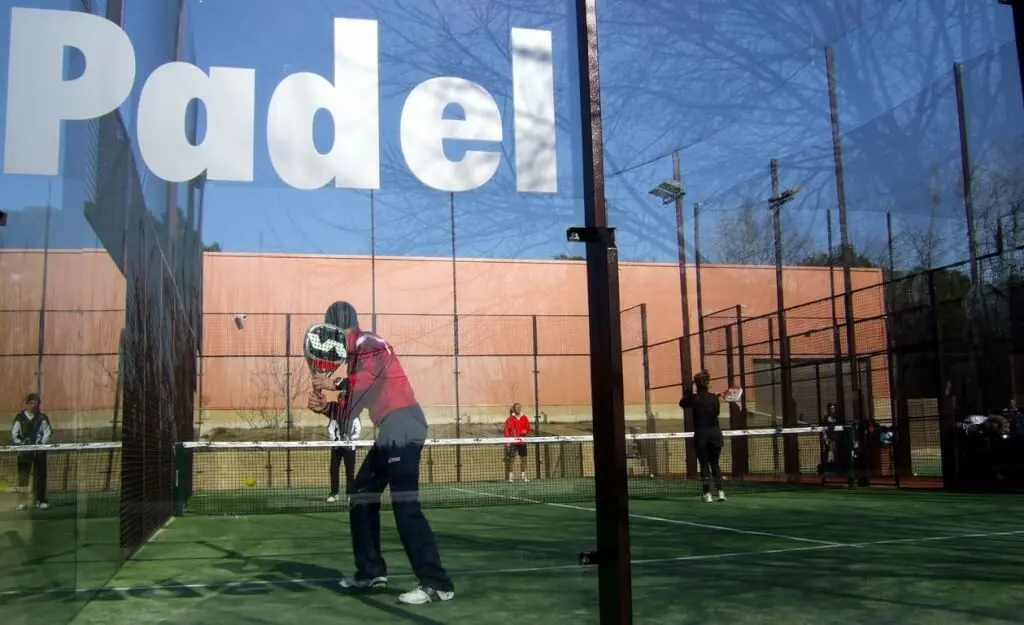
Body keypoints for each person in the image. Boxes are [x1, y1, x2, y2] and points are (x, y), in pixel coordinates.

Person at [307, 301, 454, 605]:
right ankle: (371, 573)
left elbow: (370, 381)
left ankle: (437, 584)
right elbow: (352, 408)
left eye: (334, 331)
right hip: (389, 430)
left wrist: (334, 382)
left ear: (341, 329)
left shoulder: (369, 344)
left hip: (404, 423)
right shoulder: (354, 360)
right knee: (361, 495)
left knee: (405, 505)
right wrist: (326, 408)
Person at [680, 371, 725, 503]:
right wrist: (713, 398)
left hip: (701, 436)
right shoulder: (714, 398)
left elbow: (682, 403)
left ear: (696, 384)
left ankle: (707, 494)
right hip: (716, 435)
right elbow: (717, 412)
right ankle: (721, 493)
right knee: (715, 463)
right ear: (707, 383)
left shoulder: (695, 398)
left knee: (704, 464)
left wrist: (688, 392)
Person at [11, 392, 52, 510]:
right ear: (27, 404)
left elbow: (47, 432)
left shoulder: (42, 418)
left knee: (41, 477)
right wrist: (22, 444)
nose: (34, 405)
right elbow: (14, 434)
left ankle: (40, 500)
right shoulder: (19, 418)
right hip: (24, 453)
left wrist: (41, 444)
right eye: (32, 403)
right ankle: (22, 502)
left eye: (36, 403)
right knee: (23, 478)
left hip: (39, 452)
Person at [325, 391, 362, 503]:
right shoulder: (335, 415)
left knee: (350, 472)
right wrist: (335, 440)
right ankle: (334, 494)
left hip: (350, 448)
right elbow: (331, 429)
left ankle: (350, 494)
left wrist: (351, 438)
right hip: (337, 447)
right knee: (334, 470)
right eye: (339, 400)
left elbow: (358, 430)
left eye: (343, 400)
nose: (341, 402)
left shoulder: (354, 415)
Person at [502, 403, 531, 482]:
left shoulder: (524, 417)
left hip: (522, 442)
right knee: (511, 459)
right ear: (514, 409)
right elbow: (506, 431)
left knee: (524, 459)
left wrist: (525, 431)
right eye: (517, 407)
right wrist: (508, 441)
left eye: (519, 407)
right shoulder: (510, 419)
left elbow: (528, 428)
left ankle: (523, 476)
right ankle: (511, 477)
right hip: (513, 443)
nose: (518, 408)